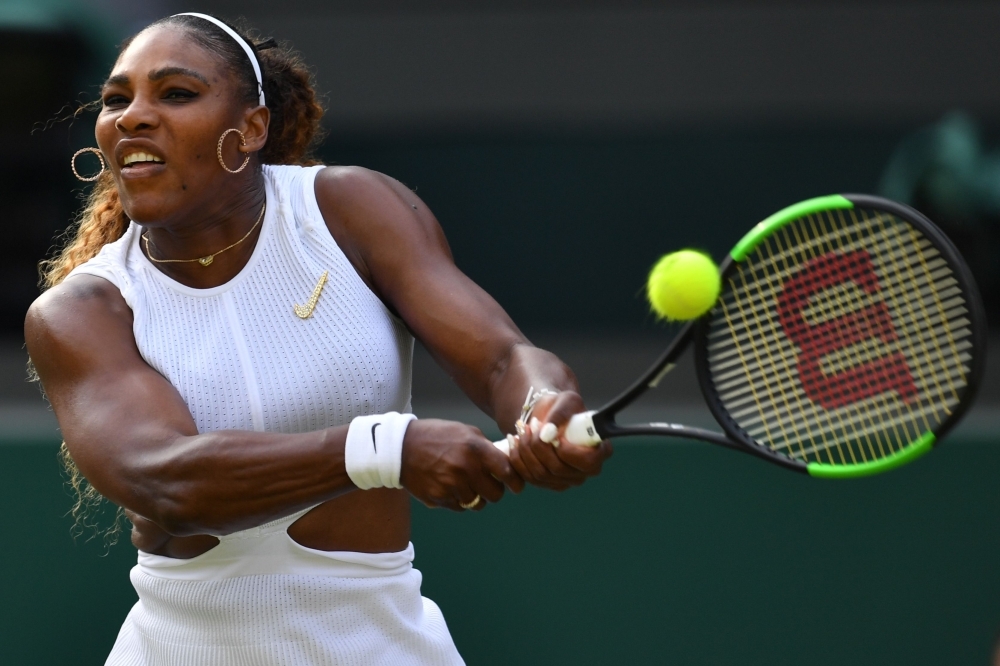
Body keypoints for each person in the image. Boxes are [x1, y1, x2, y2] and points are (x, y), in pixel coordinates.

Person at [24, 12, 612, 665]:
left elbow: (502, 358)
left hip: (387, 645)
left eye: (176, 93)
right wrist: (386, 448)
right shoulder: (80, 310)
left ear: (249, 128)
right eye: (115, 100)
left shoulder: (353, 210)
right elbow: (165, 481)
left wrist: (542, 405)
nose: (132, 116)